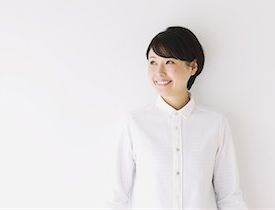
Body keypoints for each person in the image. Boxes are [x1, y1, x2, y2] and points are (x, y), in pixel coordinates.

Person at [106, 26, 248, 209]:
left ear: (193, 67)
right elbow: (118, 197)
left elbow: (229, 197)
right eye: (153, 62)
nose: (159, 72)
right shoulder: (134, 123)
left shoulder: (215, 124)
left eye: (170, 62)